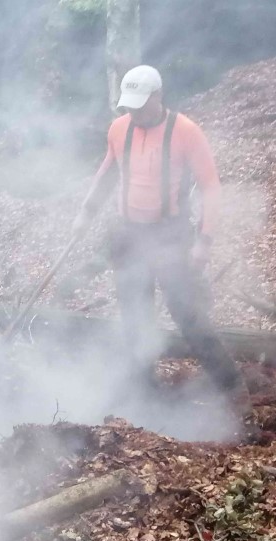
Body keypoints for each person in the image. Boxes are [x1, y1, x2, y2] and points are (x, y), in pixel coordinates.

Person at [73, 65, 247, 410]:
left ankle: (232, 389)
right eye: (129, 106)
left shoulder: (186, 132)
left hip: (170, 234)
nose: (134, 112)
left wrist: (204, 240)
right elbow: (107, 175)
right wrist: (85, 214)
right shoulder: (119, 128)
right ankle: (143, 388)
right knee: (134, 313)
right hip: (129, 234)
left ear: (158, 96)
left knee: (187, 314)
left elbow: (211, 187)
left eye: (140, 104)